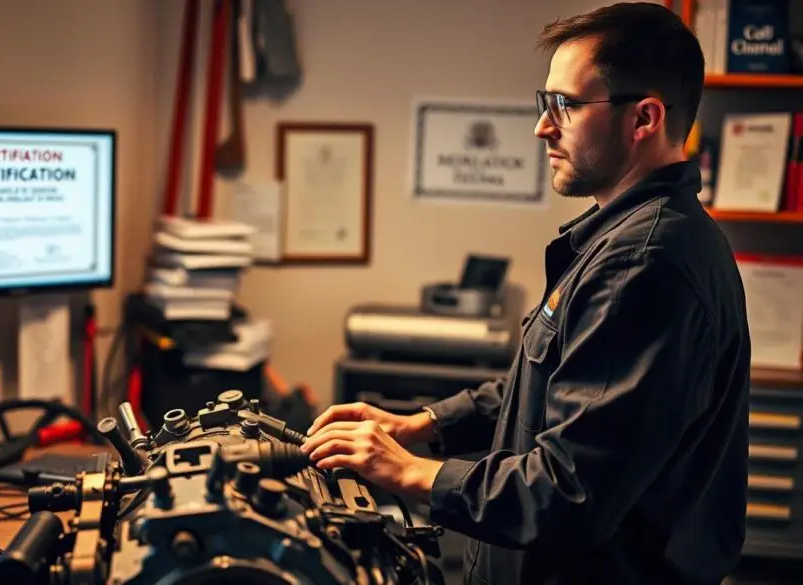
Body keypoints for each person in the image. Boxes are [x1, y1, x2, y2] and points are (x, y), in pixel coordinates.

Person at [302, 3, 751, 584]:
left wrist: (412, 472)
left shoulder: (644, 264)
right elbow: (554, 385)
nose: (543, 125)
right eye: (546, 103)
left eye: (565, 105)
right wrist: (427, 423)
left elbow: (571, 491)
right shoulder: (630, 239)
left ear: (644, 119)